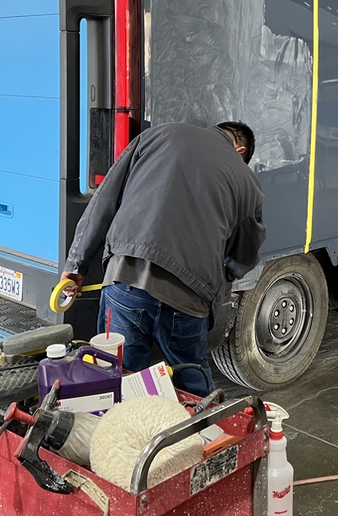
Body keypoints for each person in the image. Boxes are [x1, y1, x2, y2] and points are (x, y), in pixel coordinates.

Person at [60, 121, 266, 396]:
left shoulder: (158, 135)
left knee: (117, 379)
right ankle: (200, 420)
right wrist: (232, 269)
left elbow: (103, 202)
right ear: (240, 151)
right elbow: (245, 254)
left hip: (126, 279)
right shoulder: (247, 182)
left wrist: (77, 263)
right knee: (193, 385)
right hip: (190, 297)